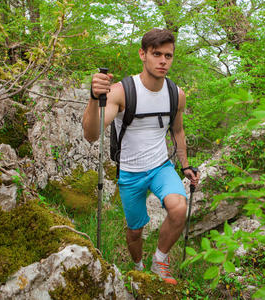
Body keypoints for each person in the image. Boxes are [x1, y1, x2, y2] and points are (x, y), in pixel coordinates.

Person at [82, 28, 199, 285]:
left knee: (179, 208)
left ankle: (160, 262)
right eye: (156, 54)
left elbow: (177, 130)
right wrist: (94, 98)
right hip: (130, 172)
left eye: (168, 55)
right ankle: (138, 266)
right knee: (135, 231)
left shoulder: (175, 94)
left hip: (160, 167)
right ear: (142, 54)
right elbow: (91, 134)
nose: (163, 61)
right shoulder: (122, 91)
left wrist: (186, 165)